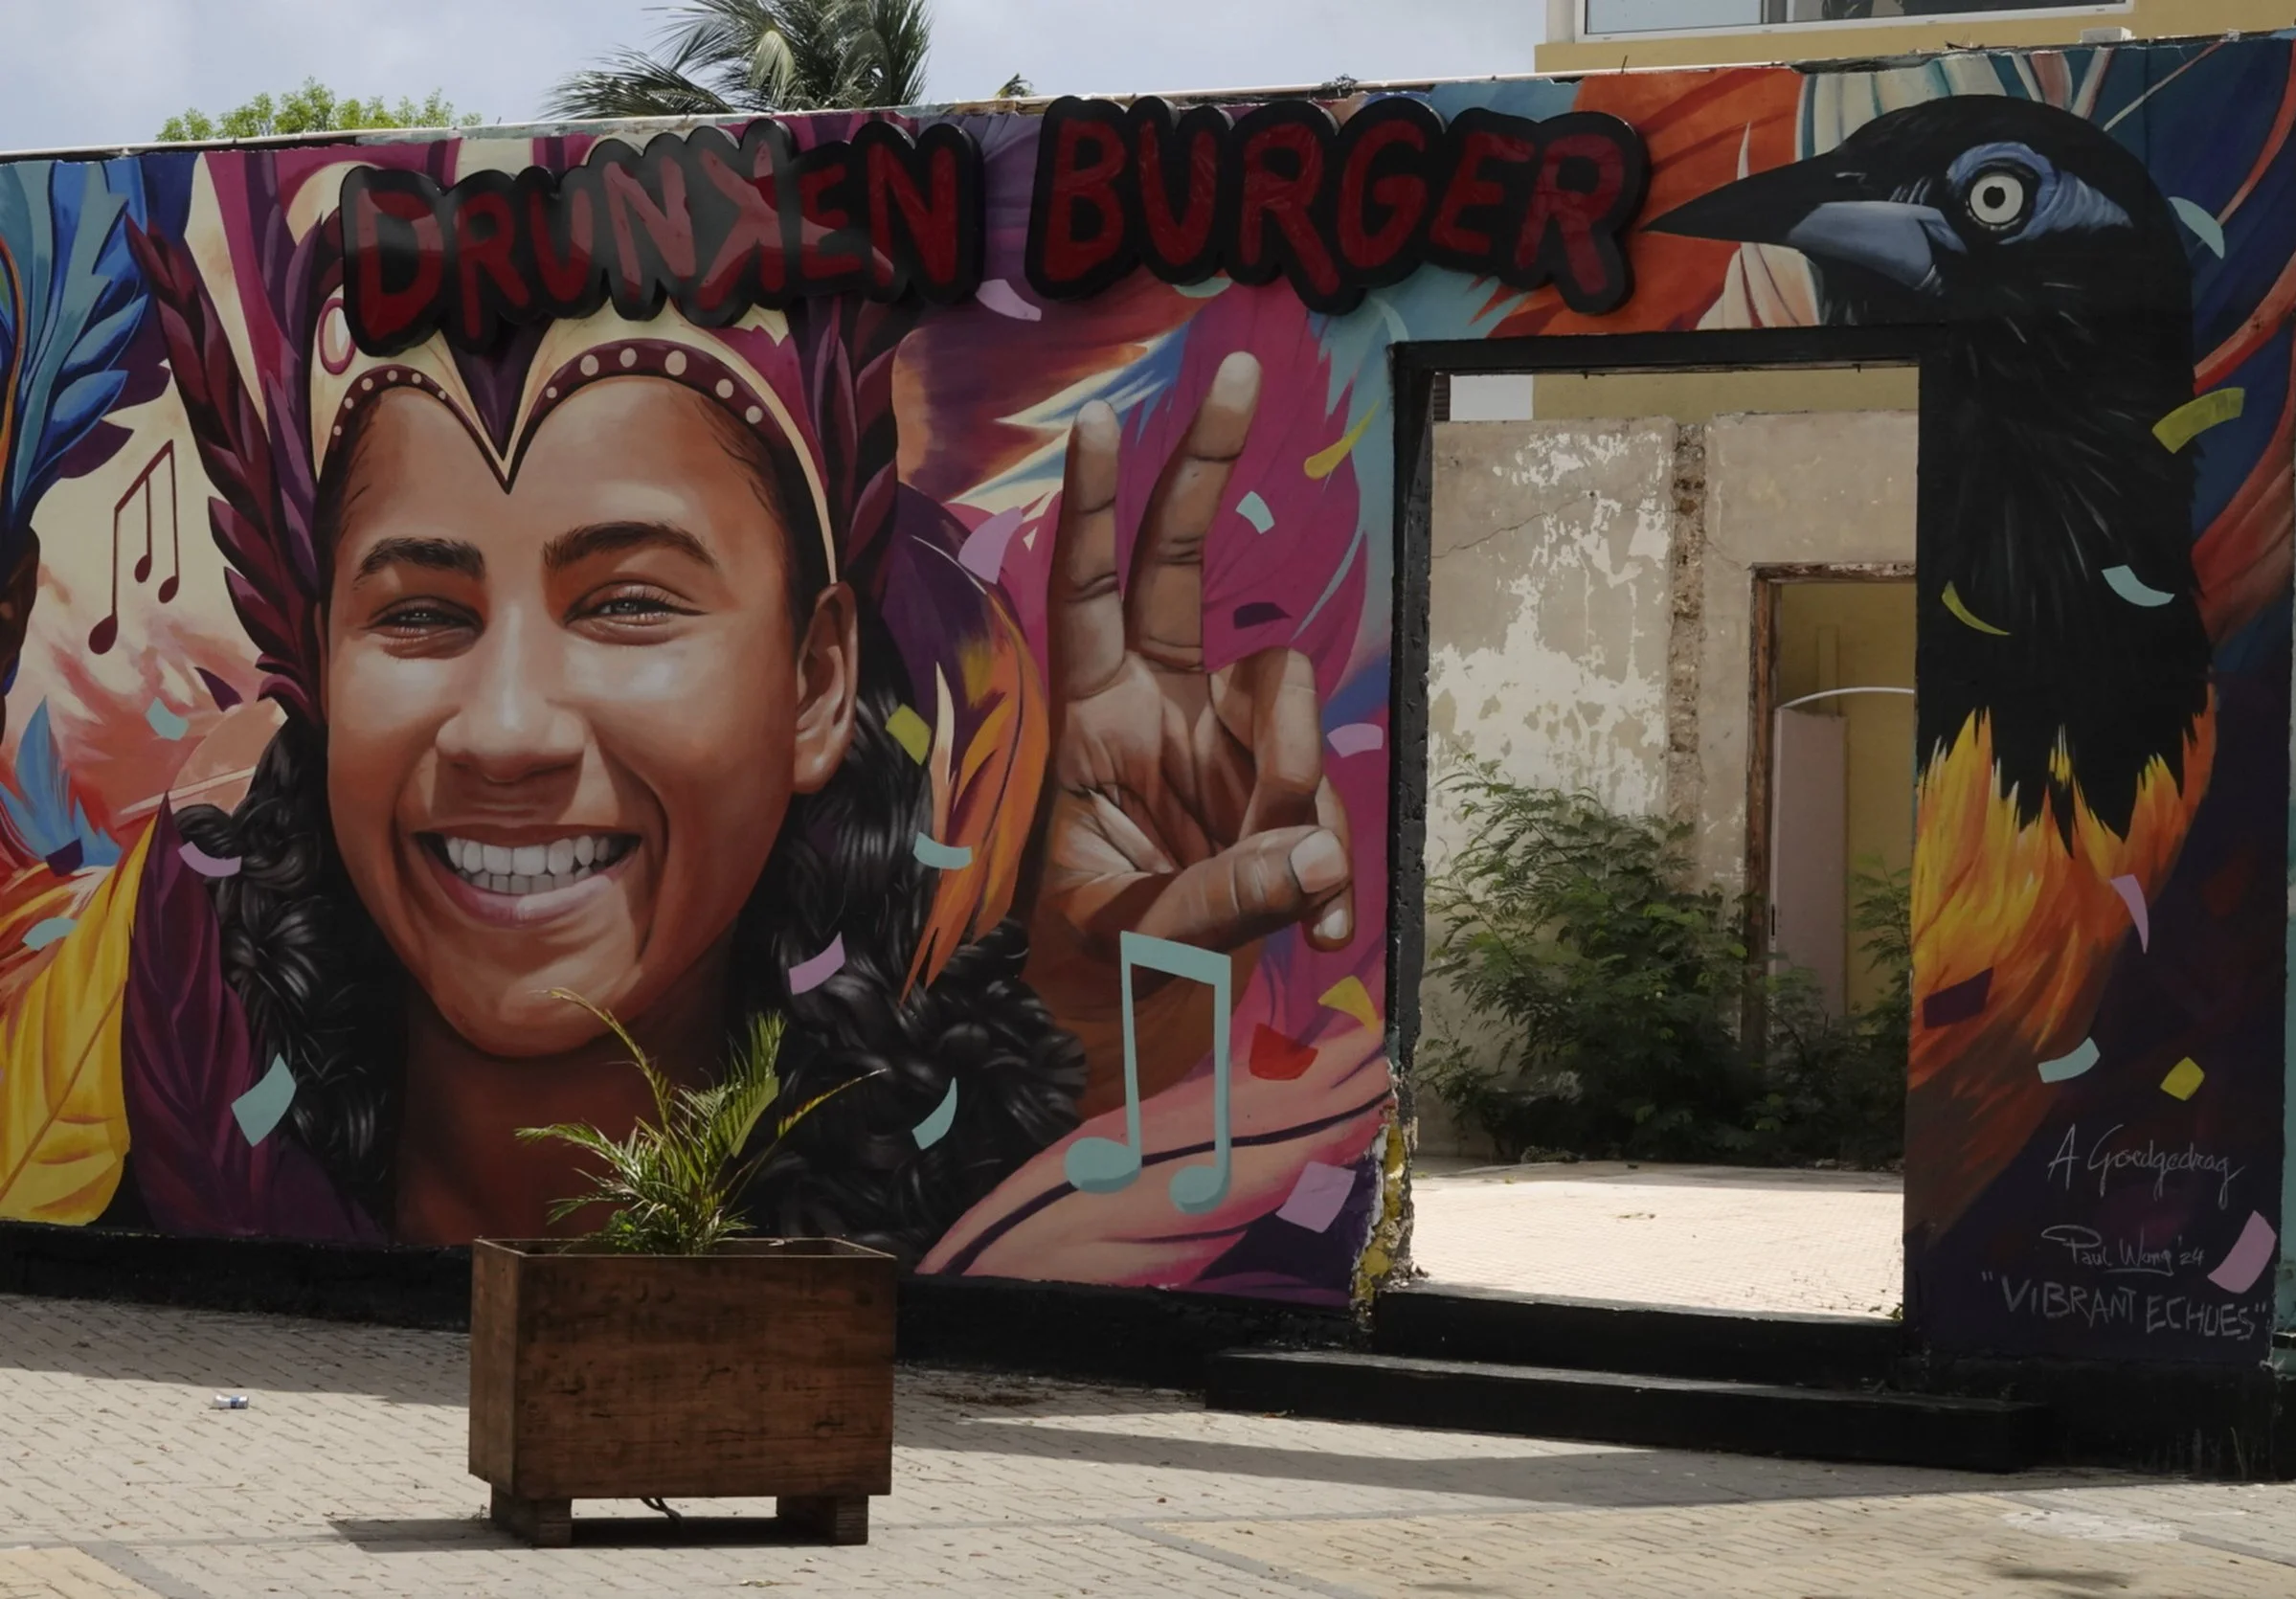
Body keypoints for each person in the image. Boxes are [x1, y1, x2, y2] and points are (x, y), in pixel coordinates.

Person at [79, 149, 1362, 1264]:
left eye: (630, 602)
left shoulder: (946, 1184)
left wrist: (1097, 1038)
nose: (508, 728)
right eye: (418, 614)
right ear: (320, 670)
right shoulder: (115, 1082)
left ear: (814, 684)